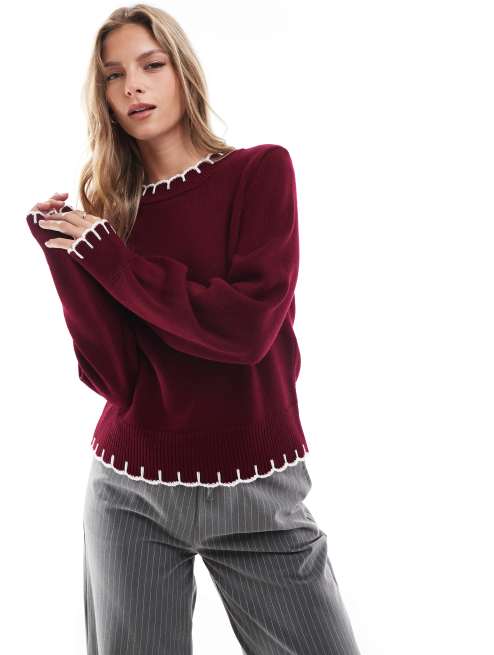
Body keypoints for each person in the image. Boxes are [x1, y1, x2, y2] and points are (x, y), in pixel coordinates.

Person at [25, 4, 362, 654]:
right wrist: (68, 260)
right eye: (113, 75)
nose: (133, 86)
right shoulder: (109, 215)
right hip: (129, 494)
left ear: (182, 71)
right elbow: (114, 378)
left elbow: (246, 331)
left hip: (257, 493)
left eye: (151, 65)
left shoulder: (258, 172)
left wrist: (114, 262)